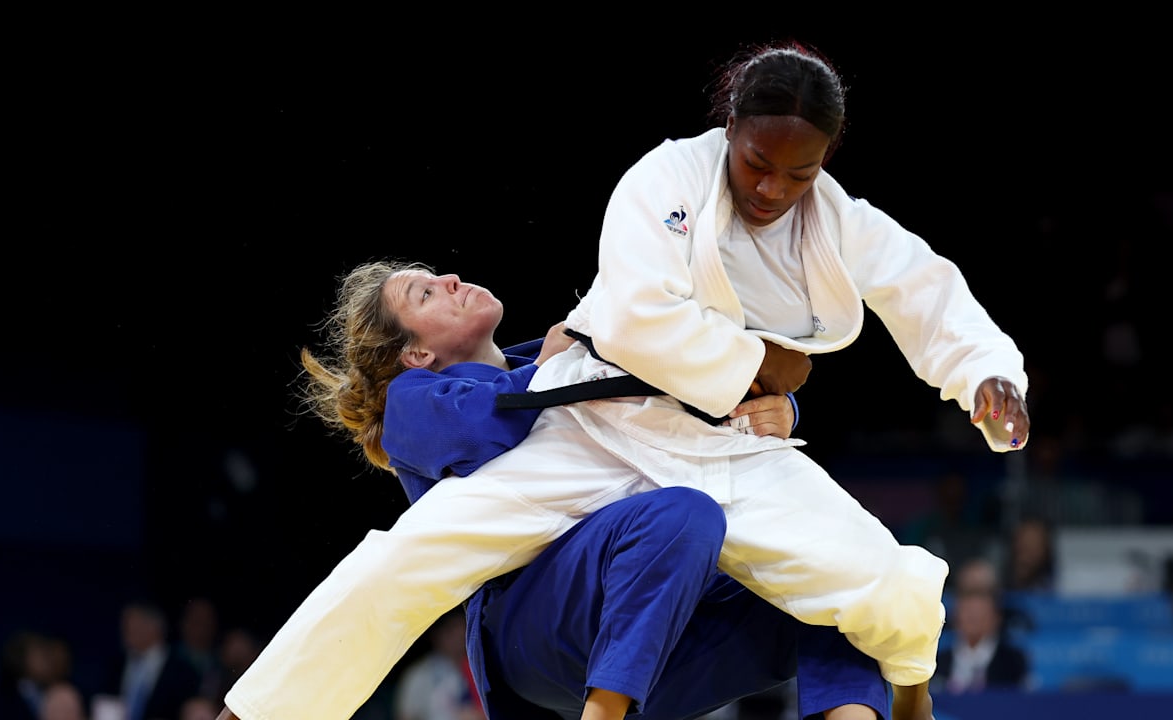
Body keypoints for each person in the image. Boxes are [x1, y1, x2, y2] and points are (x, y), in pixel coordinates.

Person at [223, 39, 1030, 720]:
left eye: (798, 174)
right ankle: (256, 712)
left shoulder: (836, 224)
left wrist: (986, 372)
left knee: (882, 579)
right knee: (401, 559)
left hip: (716, 445)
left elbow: (921, 284)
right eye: (757, 164)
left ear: (824, 164)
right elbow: (640, 318)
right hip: (590, 431)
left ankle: (913, 700)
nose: (771, 188)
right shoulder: (664, 181)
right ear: (731, 132)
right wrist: (760, 363)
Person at [931, 559, 1031, 695]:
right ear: (956, 617)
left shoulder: (1013, 662)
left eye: (980, 615)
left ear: (996, 617)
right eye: (968, 614)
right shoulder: (937, 662)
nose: (973, 617)